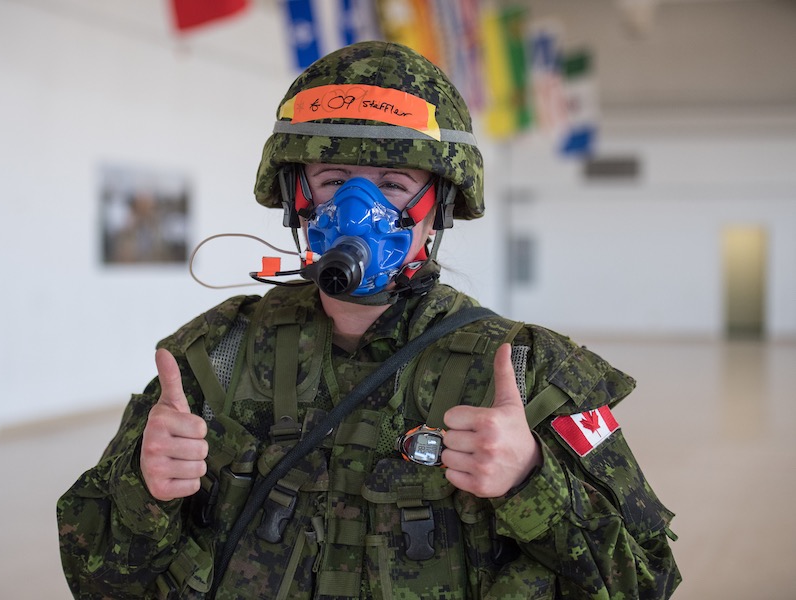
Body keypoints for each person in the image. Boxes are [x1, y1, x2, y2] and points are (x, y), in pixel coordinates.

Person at [57, 41, 681, 599]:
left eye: (393, 183)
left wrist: (530, 482)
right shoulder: (217, 357)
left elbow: (645, 579)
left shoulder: (523, 373)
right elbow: (95, 578)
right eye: (333, 181)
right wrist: (146, 489)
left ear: (440, 206)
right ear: (298, 198)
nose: (358, 211)